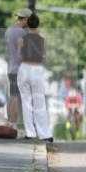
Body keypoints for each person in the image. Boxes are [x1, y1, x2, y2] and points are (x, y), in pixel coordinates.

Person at [16, 13, 53, 142]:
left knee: (26, 102)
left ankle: (30, 133)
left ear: (27, 24)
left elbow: (19, 56)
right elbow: (44, 57)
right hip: (37, 70)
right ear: (38, 24)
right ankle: (44, 134)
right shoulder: (43, 40)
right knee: (40, 102)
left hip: (24, 69)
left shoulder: (21, 39)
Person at [5, 8, 31, 130]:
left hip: (11, 68)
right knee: (16, 97)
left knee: (12, 96)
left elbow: (8, 50)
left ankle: (10, 123)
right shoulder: (22, 33)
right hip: (19, 69)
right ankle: (14, 125)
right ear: (25, 19)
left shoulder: (9, 30)